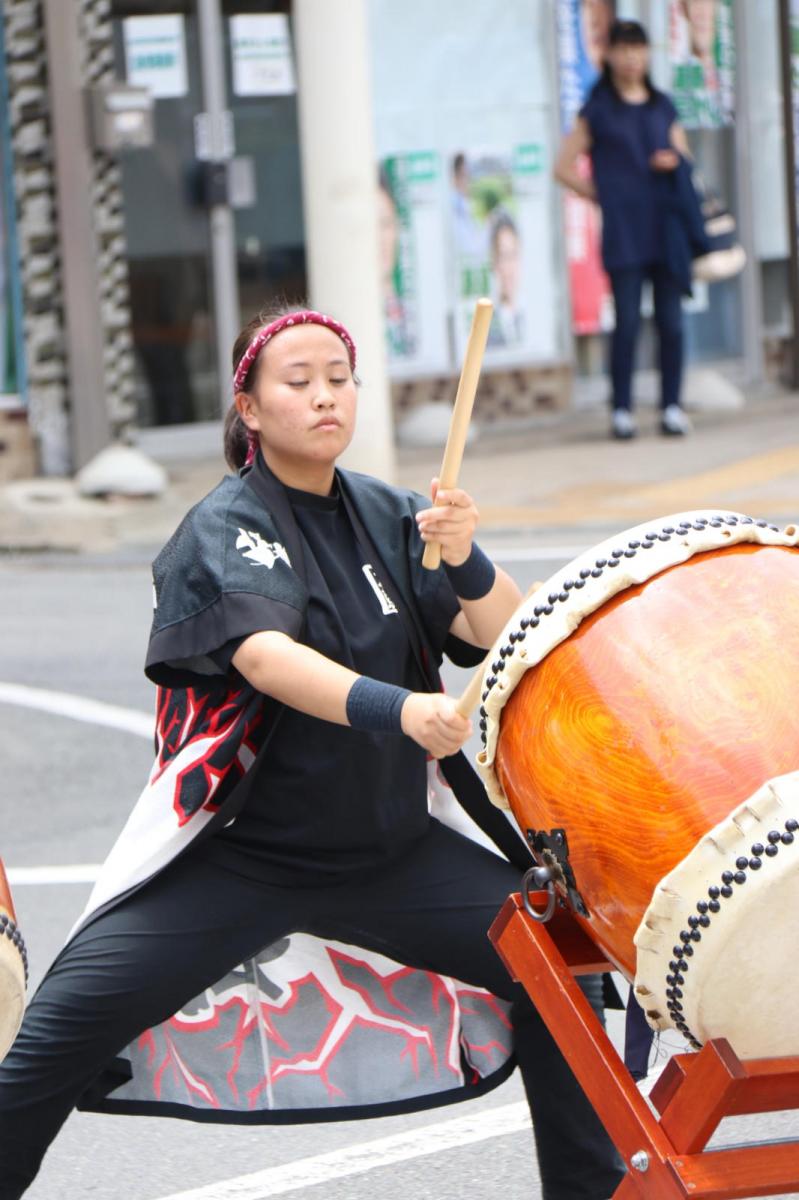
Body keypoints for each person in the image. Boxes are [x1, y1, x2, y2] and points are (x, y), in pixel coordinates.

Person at [0, 306, 625, 1199]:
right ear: (249, 407)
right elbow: (265, 657)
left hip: (390, 853)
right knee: (50, 1040)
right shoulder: (226, 525)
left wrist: (466, 558)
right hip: (241, 857)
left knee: (561, 966)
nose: (325, 396)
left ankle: (591, 1190)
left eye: (338, 377)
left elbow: (500, 636)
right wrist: (400, 711)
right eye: (298, 382)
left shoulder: (393, 514)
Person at [555, 18, 705, 440]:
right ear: (611, 55)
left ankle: (671, 406)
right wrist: (600, 194)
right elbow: (562, 168)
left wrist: (672, 162)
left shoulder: (662, 105)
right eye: (624, 48)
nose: (633, 56)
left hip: (667, 229)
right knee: (626, 324)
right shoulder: (598, 108)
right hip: (624, 233)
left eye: (639, 48)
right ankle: (621, 409)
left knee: (672, 323)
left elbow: (685, 156)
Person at [487, 211, 524, 348]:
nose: (510, 268)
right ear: (495, 263)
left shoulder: (531, 318)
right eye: (504, 257)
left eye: (514, 255)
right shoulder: (488, 327)